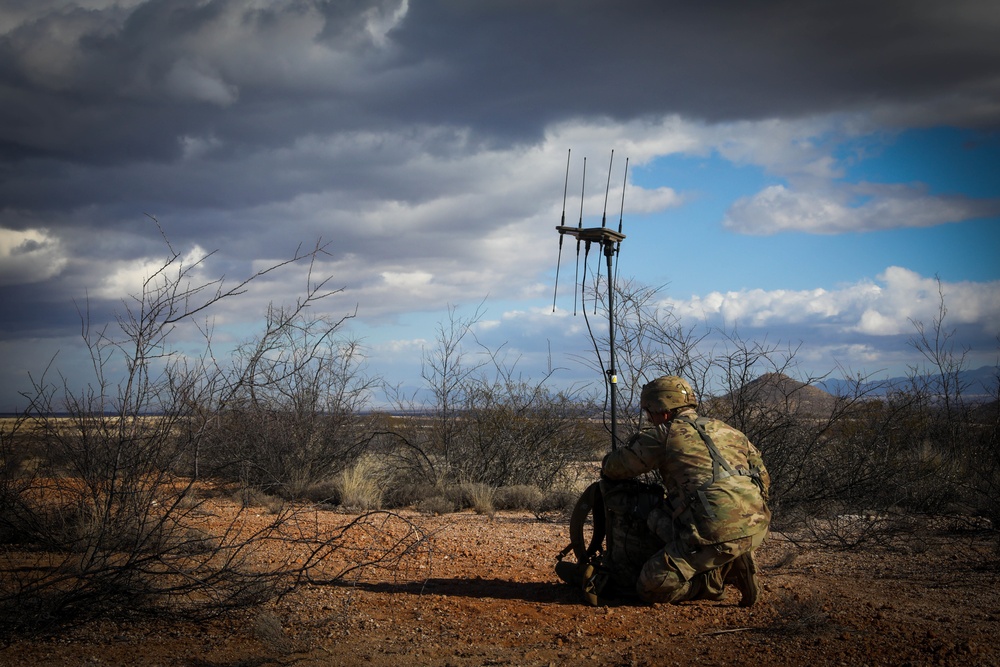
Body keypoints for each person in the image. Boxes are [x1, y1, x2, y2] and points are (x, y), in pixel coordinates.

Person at [599, 375, 771, 606]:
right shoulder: (729, 430)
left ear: (662, 410)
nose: (649, 418)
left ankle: (713, 580)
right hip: (757, 526)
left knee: (651, 587)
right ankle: (732, 555)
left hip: (712, 533)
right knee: (660, 516)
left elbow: (615, 468)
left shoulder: (664, 435)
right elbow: (763, 479)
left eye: (649, 411)